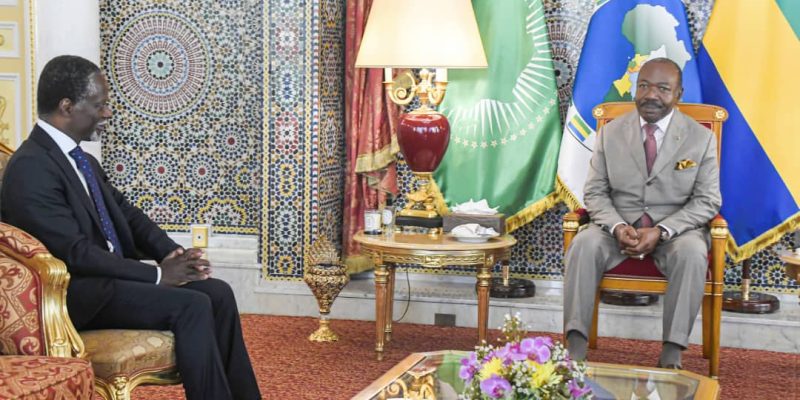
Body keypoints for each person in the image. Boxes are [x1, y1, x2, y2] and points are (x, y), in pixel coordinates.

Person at [0, 55, 261, 400]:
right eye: (99, 105)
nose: (107, 113)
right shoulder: (31, 167)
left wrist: (173, 254)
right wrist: (156, 275)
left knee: (218, 293)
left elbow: (128, 215)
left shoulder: (81, 160)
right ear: (67, 106)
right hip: (74, 295)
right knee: (192, 305)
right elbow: (75, 253)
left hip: (109, 282)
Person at [562, 58, 721, 369]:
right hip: (616, 230)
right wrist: (617, 226)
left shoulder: (700, 138)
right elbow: (594, 193)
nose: (651, 95)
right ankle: (574, 350)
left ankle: (671, 356)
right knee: (583, 243)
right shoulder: (610, 132)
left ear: (679, 94)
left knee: (692, 252)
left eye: (663, 89)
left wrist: (662, 231)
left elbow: (707, 201)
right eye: (644, 86)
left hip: (675, 234)